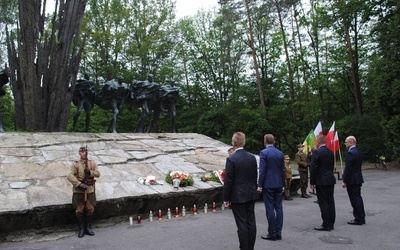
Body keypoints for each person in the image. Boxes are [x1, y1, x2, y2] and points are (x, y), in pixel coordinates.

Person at [223, 132, 258, 250]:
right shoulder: (252, 157)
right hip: (251, 194)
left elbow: (229, 181)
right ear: (244, 142)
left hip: (238, 196)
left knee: (241, 224)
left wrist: (226, 198)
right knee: (251, 222)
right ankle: (250, 247)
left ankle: (244, 247)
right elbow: (254, 176)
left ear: (233, 143)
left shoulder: (231, 159)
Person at [67, 146, 101, 238]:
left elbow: (98, 174)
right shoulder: (75, 164)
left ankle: (88, 227)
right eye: (82, 151)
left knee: (90, 209)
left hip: (89, 190)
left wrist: (90, 172)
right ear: (79, 153)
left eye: (85, 151)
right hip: (79, 191)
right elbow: (69, 176)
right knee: (79, 210)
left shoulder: (92, 163)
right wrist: (79, 184)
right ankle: (81, 229)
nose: (84, 153)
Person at [258, 134, 285, 241]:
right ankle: (278, 232)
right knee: (279, 208)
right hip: (279, 183)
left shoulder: (264, 153)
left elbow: (262, 171)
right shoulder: (280, 153)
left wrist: (260, 185)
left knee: (269, 208)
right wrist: (283, 184)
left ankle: (272, 233)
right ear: (273, 142)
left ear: (265, 142)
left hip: (268, 184)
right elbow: (283, 170)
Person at [310, 135, 336, 231]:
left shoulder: (316, 152)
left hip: (321, 180)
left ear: (318, 142)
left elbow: (313, 168)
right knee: (330, 201)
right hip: (330, 178)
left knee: (323, 202)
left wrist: (312, 181)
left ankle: (326, 224)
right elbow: (331, 165)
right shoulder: (330, 152)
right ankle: (331, 223)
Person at [342, 136, 366, 225]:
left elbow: (348, 168)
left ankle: (358, 218)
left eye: (346, 142)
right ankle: (361, 217)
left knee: (355, 200)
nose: (345, 144)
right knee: (358, 198)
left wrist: (345, 180)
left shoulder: (351, 153)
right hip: (358, 178)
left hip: (352, 180)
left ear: (351, 143)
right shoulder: (358, 152)